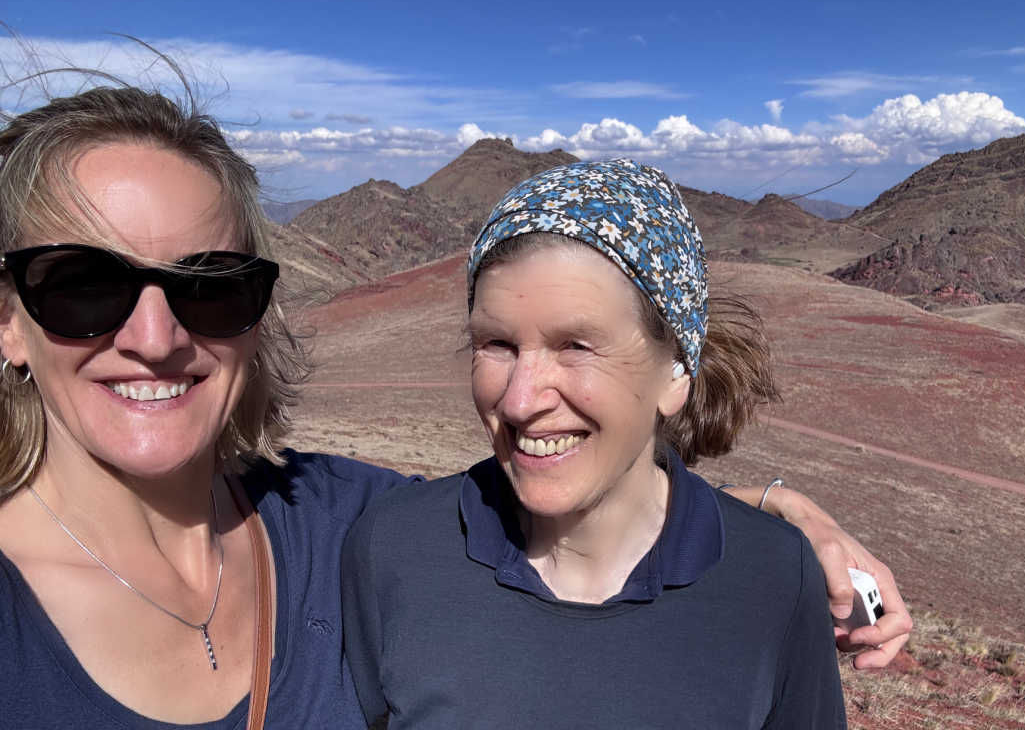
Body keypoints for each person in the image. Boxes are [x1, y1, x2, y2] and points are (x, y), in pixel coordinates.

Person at [0, 79, 907, 729]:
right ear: (10, 322)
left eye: (209, 287)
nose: (155, 336)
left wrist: (782, 527)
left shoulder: (329, 522)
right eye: (81, 285)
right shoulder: (379, 541)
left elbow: (576, 510)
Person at [341, 160, 848, 728]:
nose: (519, 400)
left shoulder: (775, 577)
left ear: (676, 373)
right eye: (497, 343)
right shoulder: (395, 552)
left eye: (576, 345)